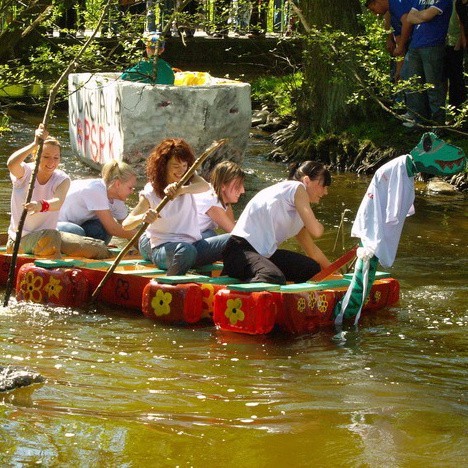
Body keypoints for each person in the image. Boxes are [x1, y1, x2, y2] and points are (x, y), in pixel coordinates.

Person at [122, 138, 230, 275]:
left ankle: (227, 277)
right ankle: (170, 283)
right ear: (163, 165)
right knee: (186, 251)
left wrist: (181, 190)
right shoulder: (151, 191)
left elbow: (204, 186)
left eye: (184, 166)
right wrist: (143, 217)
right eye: (176, 166)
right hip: (163, 248)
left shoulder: (187, 178)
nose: (181, 171)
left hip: (193, 244)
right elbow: (126, 224)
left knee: (234, 239)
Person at [222, 161, 332, 285]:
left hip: (263, 255)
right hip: (239, 251)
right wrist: (320, 226)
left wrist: (335, 273)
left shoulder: (299, 212)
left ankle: (295, 298)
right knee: (273, 276)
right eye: (323, 185)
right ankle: (234, 293)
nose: (325, 192)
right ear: (306, 180)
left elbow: (312, 251)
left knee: (311, 268)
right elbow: (316, 231)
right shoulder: (296, 187)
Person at [6, 124, 70, 258]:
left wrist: (40, 205)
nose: (51, 162)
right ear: (36, 155)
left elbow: (57, 203)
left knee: (93, 247)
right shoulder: (25, 172)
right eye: (46, 156)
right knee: (52, 237)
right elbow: (11, 164)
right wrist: (35, 144)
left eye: (56, 157)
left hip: (47, 237)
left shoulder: (62, 179)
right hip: (19, 241)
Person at [57, 160, 139, 245]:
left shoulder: (117, 199)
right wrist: (143, 237)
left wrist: (144, 250)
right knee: (77, 232)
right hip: (57, 227)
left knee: (101, 230)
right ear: (117, 184)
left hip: (77, 224)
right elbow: (113, 228)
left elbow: (128, 227)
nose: (132, 191)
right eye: (130, 188)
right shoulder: (96, 190)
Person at [405, 0, 453, 127]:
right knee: (416, 87)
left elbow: (427, 15)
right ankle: (420, 122)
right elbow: (409, 18)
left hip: (432, 46)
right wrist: (425, 16)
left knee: (433, 87)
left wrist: (422, 15)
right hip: (415, 46)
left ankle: (438, 125)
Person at [193, 161, 246, 238]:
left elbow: (233, 225)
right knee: (232, 239)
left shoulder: (222, 199)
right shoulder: (213, 203)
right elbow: (236, 233)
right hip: (186, 242)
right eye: (237, 186)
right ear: (223, 185)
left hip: (200, 235)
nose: (242, 191)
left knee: (211, 234)